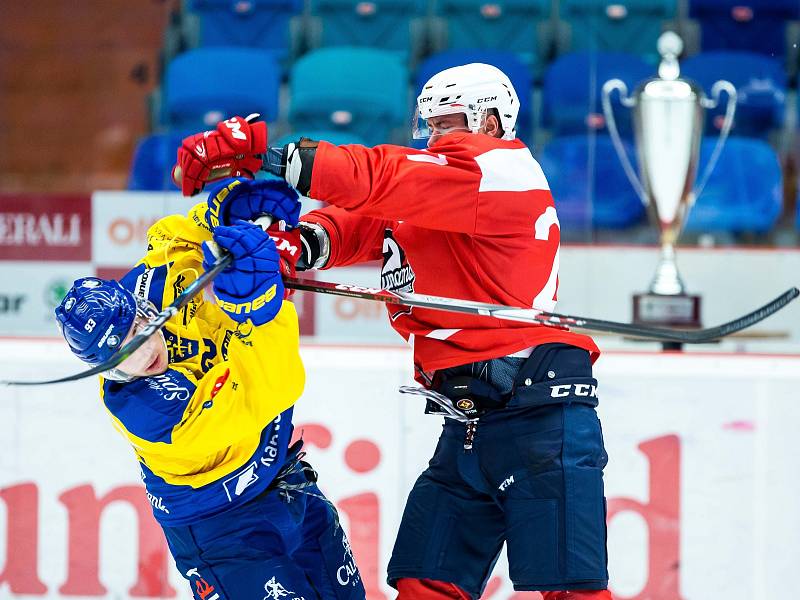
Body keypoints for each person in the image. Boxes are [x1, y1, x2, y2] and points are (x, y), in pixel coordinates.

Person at [173, 63, 612, 600]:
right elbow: (365, 218)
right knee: (424, 583)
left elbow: (385, 178)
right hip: (472, 422)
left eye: (447, 121)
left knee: (573, 592)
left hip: (541, 419)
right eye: (427, 125)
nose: (434, 136)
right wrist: (296, 244)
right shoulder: (443, 192)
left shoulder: (500, 169)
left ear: (493, 123)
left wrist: (271, 157)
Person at [54, 178, 366, 600]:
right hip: (224, 534)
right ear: (104, 366)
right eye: (123, 350)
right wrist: (260, 305)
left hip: (284, 482)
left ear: (136, 303)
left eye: (141, 324)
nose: (144, 345)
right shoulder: (149, 411)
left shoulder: (150, 287)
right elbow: (269, 386)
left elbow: (172, 238)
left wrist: (221, 216)